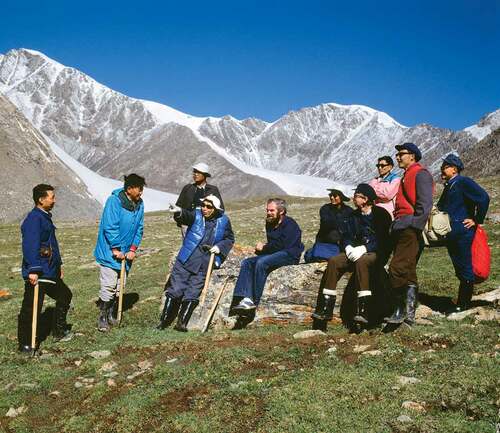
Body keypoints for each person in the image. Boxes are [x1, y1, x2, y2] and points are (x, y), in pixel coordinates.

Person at [311, 184, 392, 330]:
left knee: (363, 262)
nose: (354, 199)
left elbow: (383, 239)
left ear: (366, 199)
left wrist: (365, 248)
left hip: (375, 252)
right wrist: (348, 246)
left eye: (357, 196)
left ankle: (363, 311)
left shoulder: (381, 214)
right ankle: (325, 309)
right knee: (335, 261)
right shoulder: (354, 215)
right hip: (355, 251)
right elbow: (346, 235)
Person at [157, 195, 234, 331]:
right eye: (203, 205)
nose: (204, 208)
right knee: (176, 289)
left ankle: (182, 323)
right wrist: (178, 211)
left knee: (193, 292)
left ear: (215, 209)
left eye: (208, 207)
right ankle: (163, 322)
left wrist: (220, 247)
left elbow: (229, 238)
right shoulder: (197, 215)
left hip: (204, 263)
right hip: (187, 259)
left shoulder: (224, 221)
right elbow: (186, 216)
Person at [17, 184, 73, 353]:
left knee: (65, 295)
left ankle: (58, 331)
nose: (54, 200)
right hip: (39, 272)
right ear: (41, 200)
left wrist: (59, 265)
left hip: (49, 270)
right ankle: (26, 344)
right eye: (51, 197)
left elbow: (51, 244)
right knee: (31, 307)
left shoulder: (44, 217)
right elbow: (30, 245)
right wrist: (33, 269)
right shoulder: (34, 219)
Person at [385, 143, 433, 326]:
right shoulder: (407, 175)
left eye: (401, 154)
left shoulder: (420, 174)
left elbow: (425, 203)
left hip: (409, 228)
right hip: (402, 227)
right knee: (409, 270)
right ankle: (410, 315)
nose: (397, 157)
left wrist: (415, 226)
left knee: (396, 268)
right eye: (397, 154)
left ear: (412, 156)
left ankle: (398, 310)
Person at [231, 198, 304, 314]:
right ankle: (243, 296)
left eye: (272, 210)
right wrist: (264, 249)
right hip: (276, 253)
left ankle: (254, 300)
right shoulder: (270, 222)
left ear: (281, 211)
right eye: (267, 210)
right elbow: (273, 245)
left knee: (262, 263)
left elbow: (282, 245)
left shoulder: (290, 224)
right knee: (247, 262)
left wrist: (264, 248)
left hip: (290, 254)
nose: (268, 213)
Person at [437, 154, 490, 314]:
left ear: (454, 169)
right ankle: (462, 301)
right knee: (459, 266)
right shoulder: (450, 185)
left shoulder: (463, 182)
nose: (442, 169)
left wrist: (476, 219)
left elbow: (484, 198)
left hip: (463, 232)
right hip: (451, 232)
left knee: (465, 265)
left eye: (445, 167)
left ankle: (463, 304)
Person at [94, 174, 145, 332]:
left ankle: (111, 313)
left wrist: (132, 249)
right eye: (139, 189)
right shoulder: (114, 201)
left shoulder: (139, 204)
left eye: (142, 189)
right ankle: (103, 317)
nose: (141, 193)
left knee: (119, 286)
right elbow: (110, 226)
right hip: (110, 252)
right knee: (109, 285)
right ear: (129, 189)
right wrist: (116, 248)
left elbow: (139, 228)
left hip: (126, 254)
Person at [304, 188, 353, 263]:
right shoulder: (325, 209)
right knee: (309, 255)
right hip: (326, 241)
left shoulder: (349, 210)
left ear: (341, 197)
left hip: (343, 242)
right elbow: (327, 223)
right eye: (330, 195)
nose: (332, 198)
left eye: (334, 196)